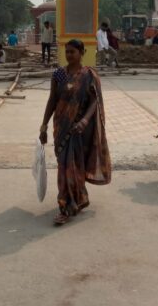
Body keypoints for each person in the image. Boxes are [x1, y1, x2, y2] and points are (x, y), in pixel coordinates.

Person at [39, 39, 111, 226]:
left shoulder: (89, 75)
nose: (69, 55)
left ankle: (67, 206)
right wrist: (44, 125)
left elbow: (95, 101)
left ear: (82, 52)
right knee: (64, 166)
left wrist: (85, 120)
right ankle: (77, 199)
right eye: (67, 51)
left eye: (72, 51)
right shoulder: (58, 74)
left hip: (79, 129)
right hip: (61, 127)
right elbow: (52, 100)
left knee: (74, 166)